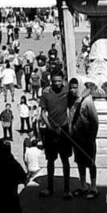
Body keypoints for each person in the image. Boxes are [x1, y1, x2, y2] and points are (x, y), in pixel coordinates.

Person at [38, 71, 73, 199]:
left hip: (64, 130)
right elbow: (43, 112)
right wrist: (50, 127)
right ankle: (50, 187)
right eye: (54, 81)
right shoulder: (46, 93)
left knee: (65, 160)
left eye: (59, 81)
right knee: (50, 160)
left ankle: (67, 189)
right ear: (51, 80)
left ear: (63, 80)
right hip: (50, 131)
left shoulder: (67, 90)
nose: (57, 83)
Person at [70, 79, 99, 199]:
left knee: (90, 162)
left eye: (75, 87)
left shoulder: (87, 101)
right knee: (79, 162)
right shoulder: (71, 100)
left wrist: (92, 137)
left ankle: (93, 186)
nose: (73, 90)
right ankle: (83, 185)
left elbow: (95, 120)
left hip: (87, 138)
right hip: (76, 138)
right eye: (71, 87)